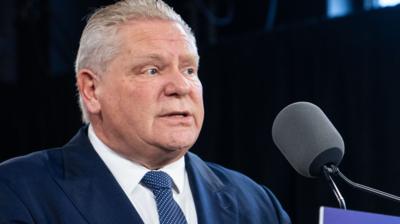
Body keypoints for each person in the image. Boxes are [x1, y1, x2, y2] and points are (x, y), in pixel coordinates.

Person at [0, 0, 291, 223]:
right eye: (152, 70)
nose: (180, 86)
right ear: (91, 90)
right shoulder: (18, 191)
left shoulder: (255, 203)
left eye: (189, 69)